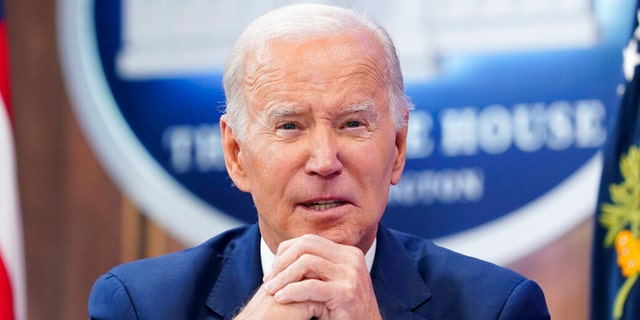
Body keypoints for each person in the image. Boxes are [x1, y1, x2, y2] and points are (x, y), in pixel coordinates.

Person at [88, 3, 550, 319]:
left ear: (398, 148)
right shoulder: (141, 305)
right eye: (289, 126)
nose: (325, 161)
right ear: (236, 154)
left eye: (352, 124)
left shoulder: (495, 307)